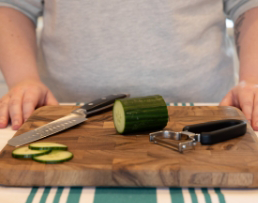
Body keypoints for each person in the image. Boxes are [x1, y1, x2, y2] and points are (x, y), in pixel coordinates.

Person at [0, 0, 258, 130]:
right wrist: (24, 80)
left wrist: (252, 79)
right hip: (63, 114)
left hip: (208, 112)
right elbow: (14, 5)